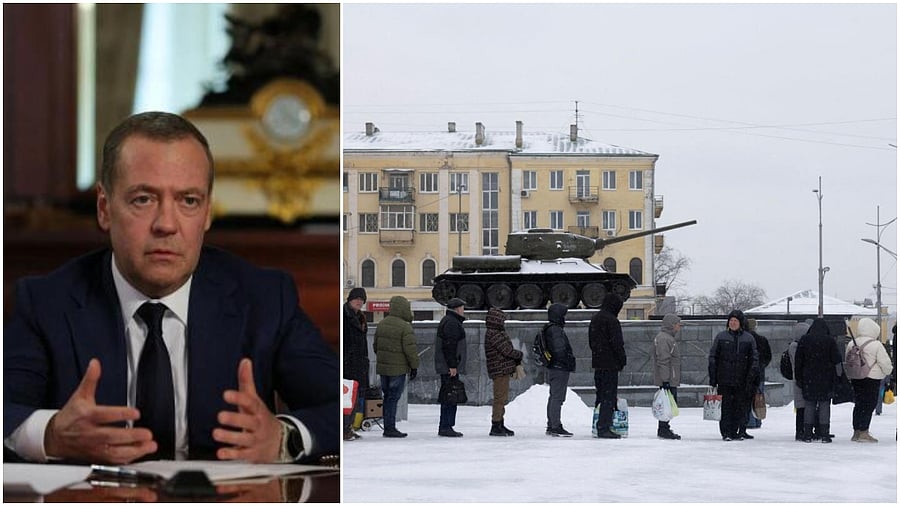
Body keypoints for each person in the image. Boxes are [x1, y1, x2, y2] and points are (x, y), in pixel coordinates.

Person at [3, 111, 338, 464]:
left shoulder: (265, 299)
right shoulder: (46, 302)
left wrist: (284, 438)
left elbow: (345, 404)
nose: (166, 224)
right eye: (143, 199)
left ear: (207, 213)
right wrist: (52, 435)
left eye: (188, 201)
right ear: (104, 208)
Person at [708, 309, 759, 441]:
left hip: (742, 379)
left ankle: (736, 431)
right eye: (731, 320)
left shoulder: (748, 338)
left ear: (741, 323)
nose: (733, 323)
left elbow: (754, 359)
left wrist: (751, 377)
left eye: (735, 321)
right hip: (724, 379)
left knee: (739, 406)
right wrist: (713, 377)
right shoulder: (721, 337)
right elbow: (713, 357)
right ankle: (726, 432)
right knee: (726, 407)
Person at [373, 295, 419, 438]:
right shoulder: (405, 327)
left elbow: (376, 346)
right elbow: (410, 350)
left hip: (383, 368)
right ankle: (390, 428)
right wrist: (414, 366)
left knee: (387, 397)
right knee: (393, 398)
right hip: (398, 369)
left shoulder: (382, 324)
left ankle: (388, 425)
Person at [794, 318, 842, 443]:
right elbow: (837, 360)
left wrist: (799, 378)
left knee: (809, 405)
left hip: (808, 378)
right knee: (824, 405)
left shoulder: (804, 340)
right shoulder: (829, 340)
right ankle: (824, 434)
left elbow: (798, 361)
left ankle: (807, 434)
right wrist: (838, 376)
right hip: (826, 379)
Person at [847, 317, 893, 442]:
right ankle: (864, 432)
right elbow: (885, 363)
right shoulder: (876, 344)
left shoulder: (852, 343)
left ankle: (856, 431)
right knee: (869, 404)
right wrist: (888, 371)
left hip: (856, 377)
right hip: (872, 378)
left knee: (859, 403)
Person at [589, 293, 627, 439]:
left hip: (598, 363)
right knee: (609, 396)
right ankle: (604, 427)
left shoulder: (595, 319)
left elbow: (592, 342)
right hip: (610, 364)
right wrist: (622, 360)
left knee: (600, 395)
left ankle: (598, 424)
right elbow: (617, 343)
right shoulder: (612, 321)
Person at [483, 307, 523, 437]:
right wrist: (519, 354)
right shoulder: (494, 334)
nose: (503, 322)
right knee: (500, 398)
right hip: (499, 369)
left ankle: (500, 423)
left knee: (502, 397)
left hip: (501, 369)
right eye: (502, 320)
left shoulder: (494, 332)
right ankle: (496, 425)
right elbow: (506, 350)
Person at [435, 297, 467, 437]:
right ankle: (446, 426)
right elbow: (450, 345)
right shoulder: (452, 323)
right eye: (462, 307)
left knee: (449, 395)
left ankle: (446, 425)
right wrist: (452, 365)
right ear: (457, 309)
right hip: (449, 367)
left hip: (447, 366)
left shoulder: (449, 321)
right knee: (450, 396)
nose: (463, 310)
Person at [544, 303, 576, 437]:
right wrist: (567, 360)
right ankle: (555, 426)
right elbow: (559, 349)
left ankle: (552, 424)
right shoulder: (556, 330)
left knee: (554, 397)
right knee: (557, 397)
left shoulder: (550, 328)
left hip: (554, 366)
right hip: (559, 367)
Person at [343, 287, 369, 441]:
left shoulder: (361, 318)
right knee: (346, 398)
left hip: (358, 364)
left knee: (353, 397)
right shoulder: (344, 315)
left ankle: (348, 427)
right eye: (356, 299)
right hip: (348, 364)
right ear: (350, 300)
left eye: (361, 299)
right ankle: (344, 429)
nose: (359, 302)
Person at [651, 313, 683, 440]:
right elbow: (663, 360)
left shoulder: (667, 338)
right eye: (677, 324)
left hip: (670, 377)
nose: (679, 327)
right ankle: (663, 429)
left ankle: (664, 427)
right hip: (668, 378)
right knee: (667, 405)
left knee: (668, 404)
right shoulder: (664, 339)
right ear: (671, 325)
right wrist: (665, 380)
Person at [744, 318, 772, 432]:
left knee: (747, 398)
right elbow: (768, 357)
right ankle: (758, 419)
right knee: (758, 397)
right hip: (760, 373)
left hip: (747, 374)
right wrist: (761, 366)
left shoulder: (744, 339)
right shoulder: (762, 339)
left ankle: (749, 421)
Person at [787, 321, 810, 441]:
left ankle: (801, 430)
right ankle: (800, 430)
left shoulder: (792, 345)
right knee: (802, 407)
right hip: (800, 379)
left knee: (801, 406)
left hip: (798, 379)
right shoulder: (796, 347)